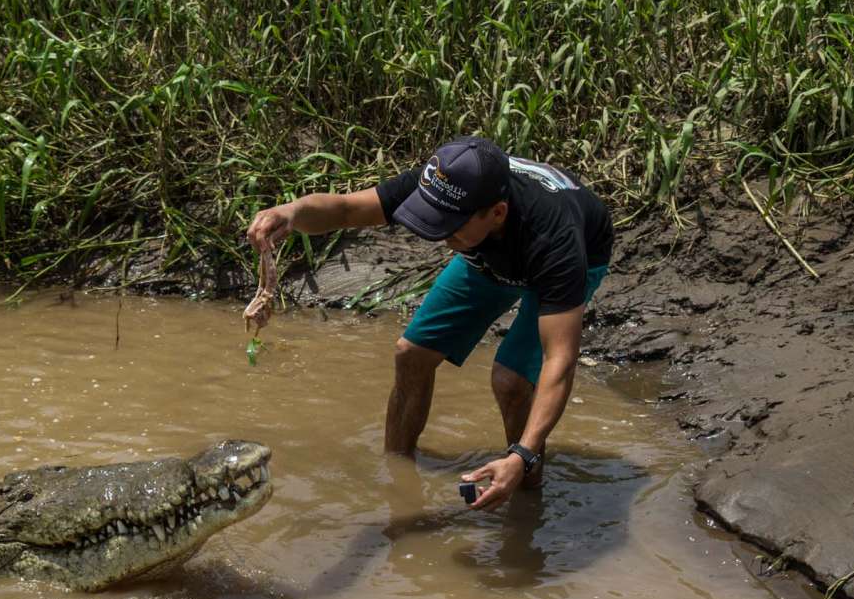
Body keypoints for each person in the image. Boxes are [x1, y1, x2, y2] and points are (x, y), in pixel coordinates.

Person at [244, 135, 613, 512]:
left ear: (497, 213)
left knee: (512, 380)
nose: (440, 234)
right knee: (411, 354)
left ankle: (524, 490)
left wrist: (522, 453)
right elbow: (346, 210)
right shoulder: (446, 182)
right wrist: (291, 212)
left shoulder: (555, 240)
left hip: (564, 254)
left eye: (450, 226)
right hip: (486, 252)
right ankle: (398, 472)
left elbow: (560, 359)